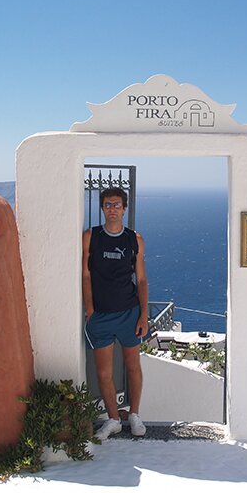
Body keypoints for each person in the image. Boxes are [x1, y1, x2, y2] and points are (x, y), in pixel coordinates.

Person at [82, 187, 149, 440]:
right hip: (100, 316)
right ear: (102, 208)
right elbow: (86, 274)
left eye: (117, 205)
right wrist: (90, 310)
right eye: (108, 204)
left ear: (124, 208)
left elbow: (141, 280)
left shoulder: (135, 239)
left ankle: (134, 415)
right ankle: (113, 419)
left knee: (133, 366)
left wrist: (143, 315)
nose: (112, 209)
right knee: (103, 373)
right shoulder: (92, 237)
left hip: (129, 313)